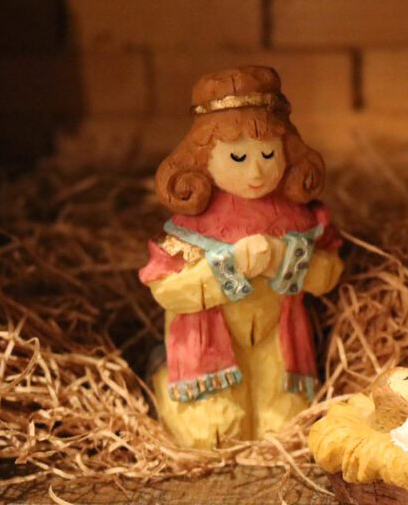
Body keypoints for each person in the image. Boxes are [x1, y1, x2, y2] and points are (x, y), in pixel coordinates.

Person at [140, 66, 342, 448]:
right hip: (208, 353)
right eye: (237, 157)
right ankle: (165, 380)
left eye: (268, 153)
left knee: (286, 431)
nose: (256, 171)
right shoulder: (193, 227)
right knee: (213, 434)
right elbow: (166, 290)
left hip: (279, 348)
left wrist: (285, 256)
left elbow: (328, 274)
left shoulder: (297, 218)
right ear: (203, 158)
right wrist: (229, 267)